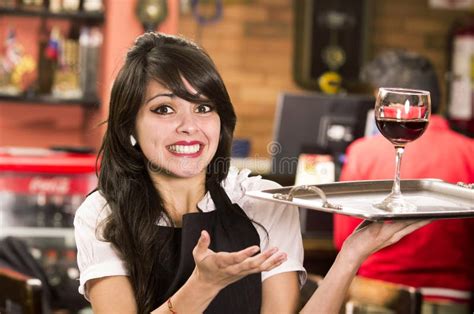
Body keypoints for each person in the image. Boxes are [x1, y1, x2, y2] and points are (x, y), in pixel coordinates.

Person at [74, 33, 428, 314]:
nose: (189, 127)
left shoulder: (263, 203)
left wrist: (353, 252)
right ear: (129, 127)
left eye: (203, 107)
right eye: (164, 109)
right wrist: (203, 285)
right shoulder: (103, 215)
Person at [334, 50, 474, 313]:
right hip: (454, 300)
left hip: (376, 298)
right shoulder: (470, 153)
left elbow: (344, 239)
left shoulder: (363, 152)